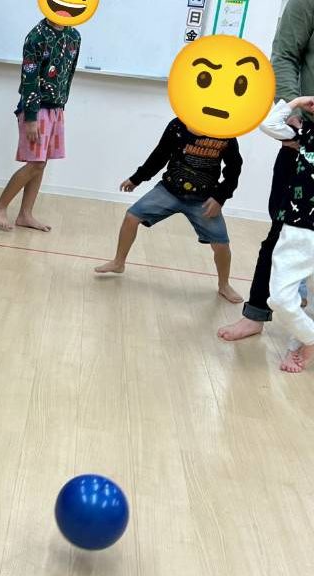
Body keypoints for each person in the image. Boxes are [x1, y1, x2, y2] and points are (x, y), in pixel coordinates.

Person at [218, 0, 314, 340]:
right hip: (305, 137)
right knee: (281, 230)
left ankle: (301, 320)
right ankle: (256, 312)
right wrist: (294, 117)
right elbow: (285, 56)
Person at [94, 117, 244, 303]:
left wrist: (220, 197)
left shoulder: (225, 133)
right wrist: (137, 178)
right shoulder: (177, 125)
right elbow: (160, 155)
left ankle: (224, 285)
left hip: (203, 200)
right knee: (132, 216)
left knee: (221, 244)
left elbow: (234, 169)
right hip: (169, 191)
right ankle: (118, 263)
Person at [0, 17, 81, 232]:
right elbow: (29, 78)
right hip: (36, 108)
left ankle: (25, 214)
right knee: (36, 163)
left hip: (56, 107)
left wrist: (61, 105)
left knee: (41, 163)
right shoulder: (37, 36)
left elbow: (68, 73)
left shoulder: (73, 36)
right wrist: (31, 117)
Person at [259, 95, 314, 372]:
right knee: (279, 298)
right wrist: (297, 102)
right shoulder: (307, 133)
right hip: (298, 229)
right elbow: (268, 125)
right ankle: (310, 338)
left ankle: (300, 345)